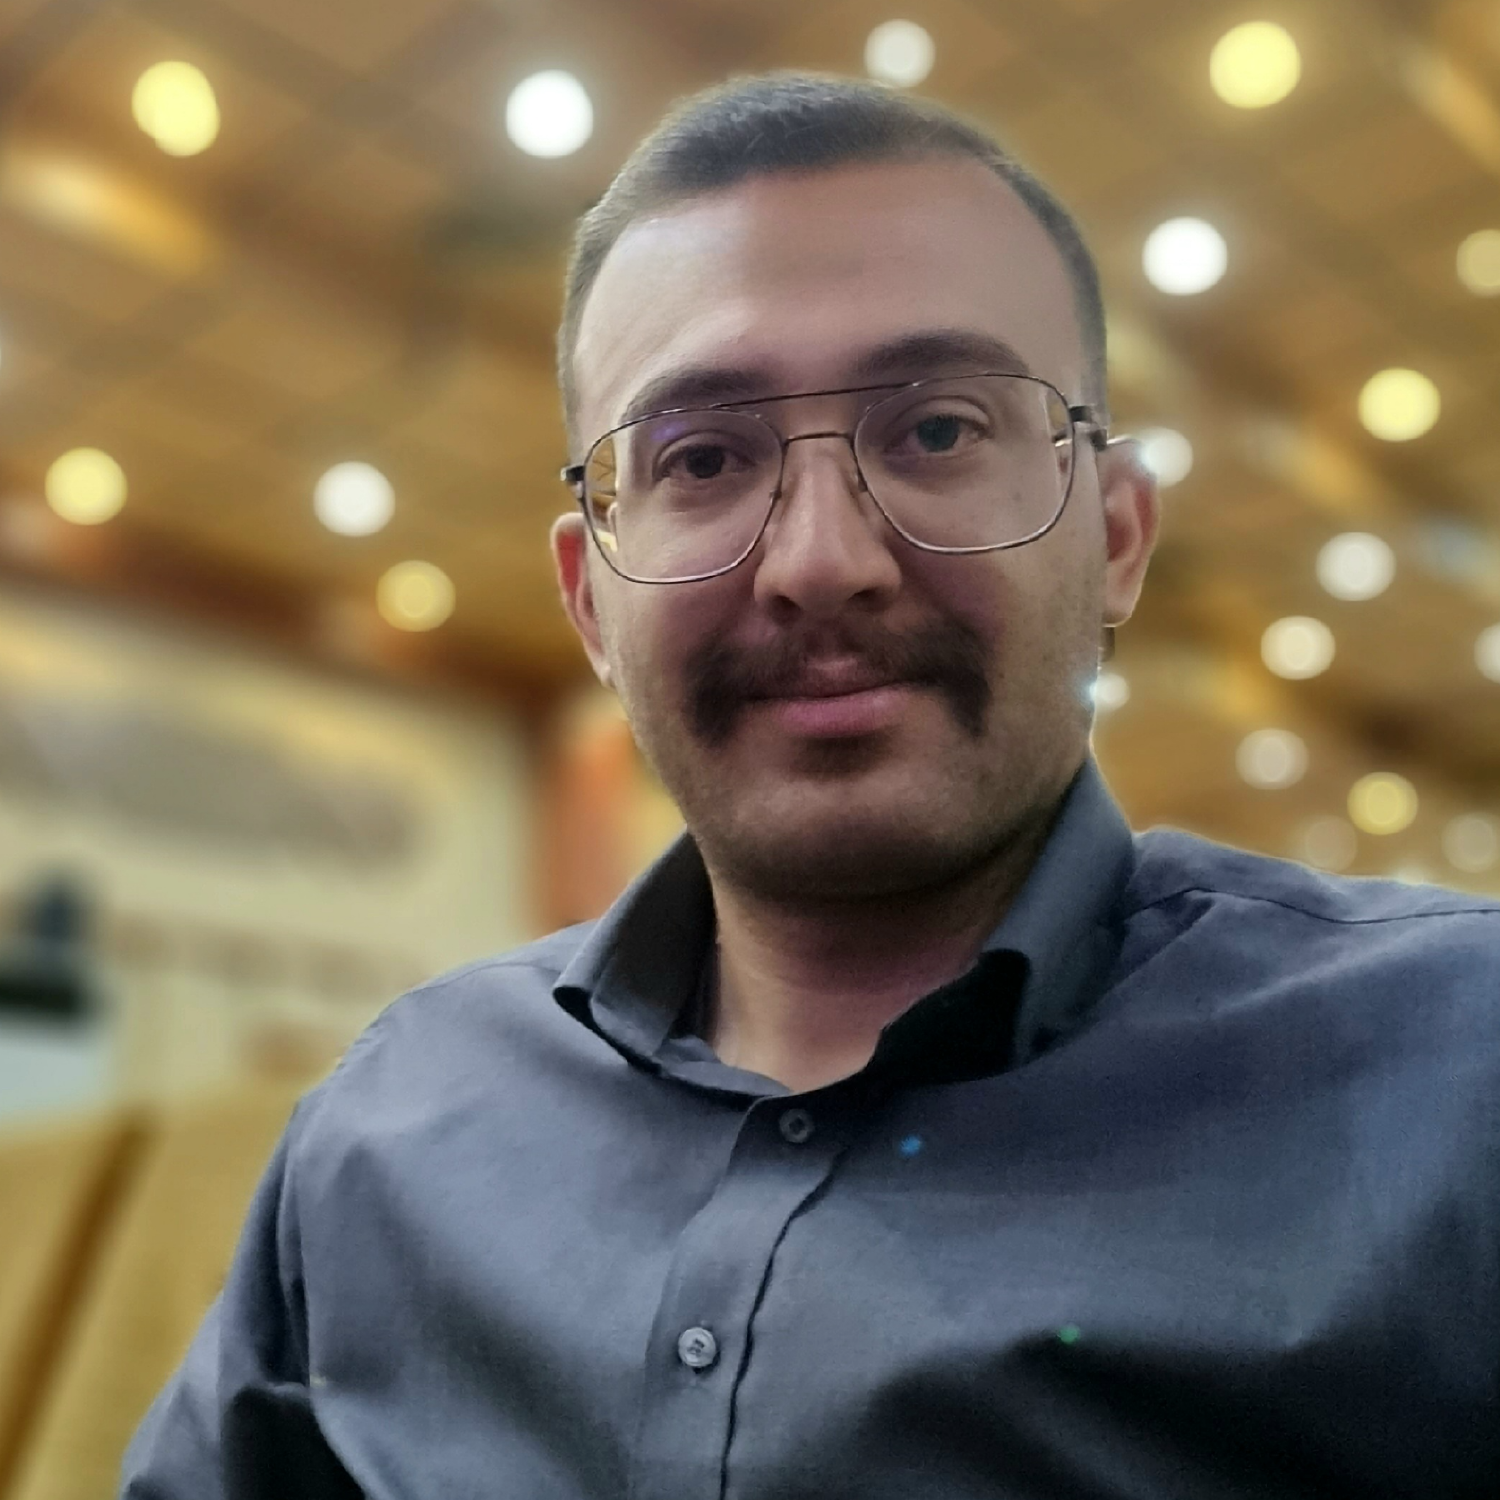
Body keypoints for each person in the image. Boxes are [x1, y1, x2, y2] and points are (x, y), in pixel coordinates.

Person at [120, 73, 1500, 1499]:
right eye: (705, 458)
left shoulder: (1456, 1077)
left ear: (1115, 536)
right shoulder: (388, 1127)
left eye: (938, 430)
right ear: (591, 602)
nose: (822, 560)